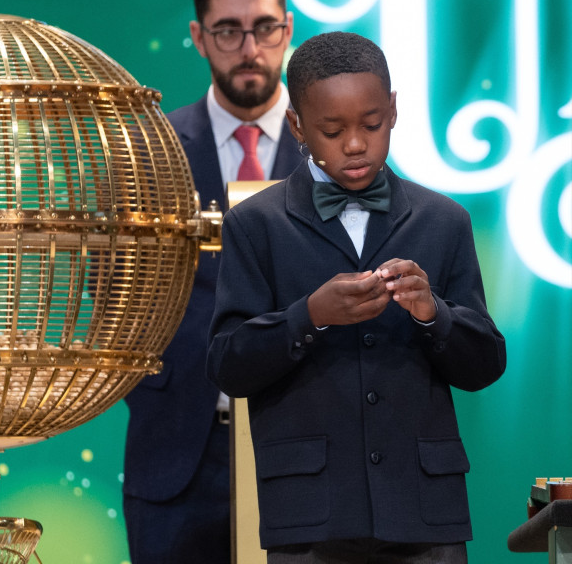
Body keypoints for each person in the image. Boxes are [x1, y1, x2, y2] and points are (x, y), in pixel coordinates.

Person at [207, 31, 507, 563]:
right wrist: (309, 316)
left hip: (423, 516)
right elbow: (228, 365)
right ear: (297, 125)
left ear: (393, 111)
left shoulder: (444, 220)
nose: (354, 144)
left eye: (370, 124)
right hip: (309, 517)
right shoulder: (256, 225)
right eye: (331, 129)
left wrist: (434, 314)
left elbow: (485, 364)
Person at [121, 0, 302, 562]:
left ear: (287, 28)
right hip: (178, 453)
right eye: (228, 31)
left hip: (306, 449)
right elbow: (114, 292)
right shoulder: (151, 152)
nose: (249, 49)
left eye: (264, 28)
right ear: (199, 37)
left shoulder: (336, 151)